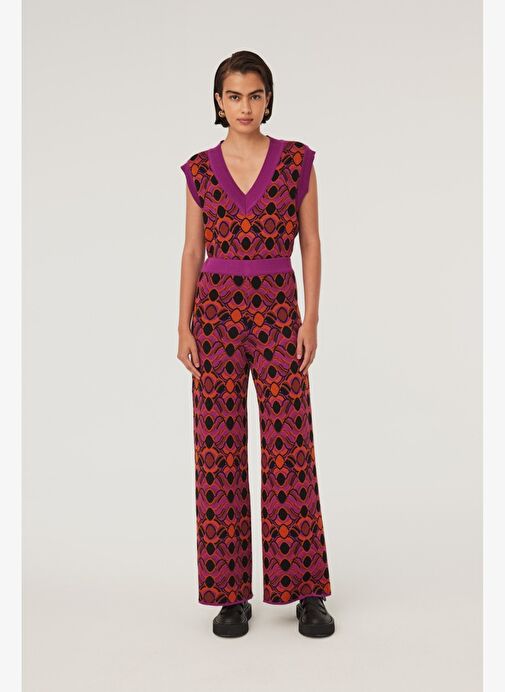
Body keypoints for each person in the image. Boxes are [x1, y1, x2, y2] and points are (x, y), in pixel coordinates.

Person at [178, 50, 335, 638]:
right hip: (214, 317)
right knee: (217, 451)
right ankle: (230, 595)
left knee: (290, 447)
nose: (244, 106)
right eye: (233, 96)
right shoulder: (199, 170)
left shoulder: (296, 161)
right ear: (218, 102)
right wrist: (182, 326)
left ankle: (307, 591)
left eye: (255, 95)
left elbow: (311, 242)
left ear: (268, 100)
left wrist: (310, 319)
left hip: (278, 314)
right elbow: (192, 250)